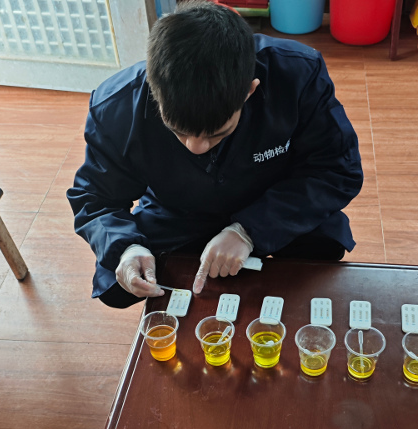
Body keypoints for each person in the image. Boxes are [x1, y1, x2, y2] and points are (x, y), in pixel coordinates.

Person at [68, 0, 363, 309]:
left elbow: (336, 169)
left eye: (217, 134)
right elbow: (95, 198)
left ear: (249, 91)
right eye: (177, 131)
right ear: (155, 92)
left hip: (274, 200)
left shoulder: (296, 75)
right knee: (117, 281)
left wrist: (249, 230)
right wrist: (127, 247)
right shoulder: (116, 107)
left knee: (321, 247)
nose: (195, 147)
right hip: (178, 212)